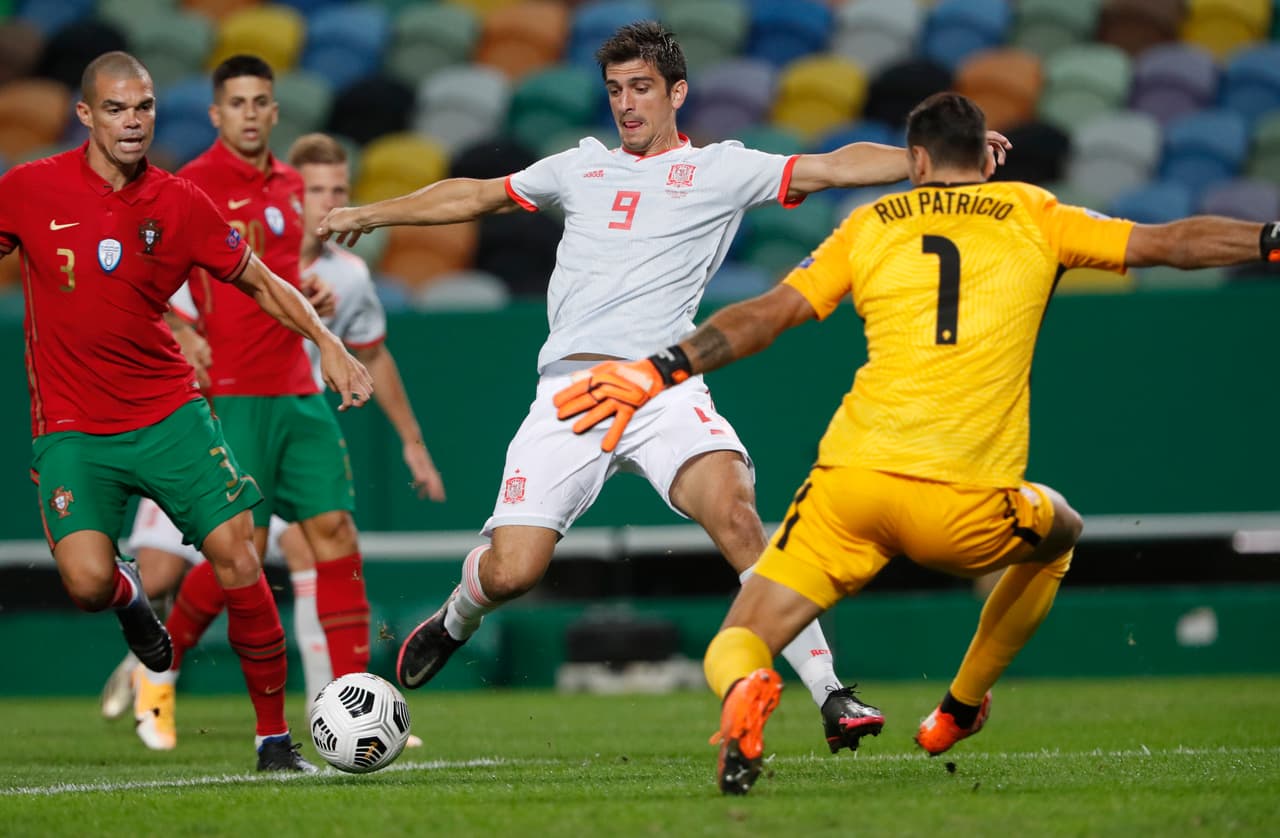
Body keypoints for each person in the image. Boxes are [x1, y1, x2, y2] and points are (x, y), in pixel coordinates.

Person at [554, 91, 1280, 795]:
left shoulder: (870, 223)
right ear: (983, 159)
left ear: (919, 160)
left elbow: (768, 316)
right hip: (963, 501)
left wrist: (661, 368)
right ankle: (958, 710)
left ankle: (747, 687)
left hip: (851, 488)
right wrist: (1265, 240)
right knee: (1060, 532)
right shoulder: (1035, 213)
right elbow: (1169, 243)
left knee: (738, 637)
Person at [319, 21, 1008, 753]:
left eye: (641, 87)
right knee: (514, 570)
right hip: (568, 389)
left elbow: (832, 167)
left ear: (677, 91)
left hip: (661, 386)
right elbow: (480, 194)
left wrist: (930, 159)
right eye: (616, 89)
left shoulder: (722, 168)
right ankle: (458, 617)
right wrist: (371, 211)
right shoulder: (579, 167)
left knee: (739, 518)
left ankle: (831, 694)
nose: (626, 103)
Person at [0, 50, 372, 771]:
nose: (132, 122)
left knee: (240, 553)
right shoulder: (28, 189)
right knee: (85, 584)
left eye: (142, 108)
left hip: (168, 412)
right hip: (74, 426)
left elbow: (262, 281)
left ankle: (273, 740)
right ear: (85, 115)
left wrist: (325, 341)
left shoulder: (178, 202)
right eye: (116, 108)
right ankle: (132, 596)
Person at [101, 133, 446, 737]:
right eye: (315, 189)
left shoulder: (351, 275)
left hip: (298, 421)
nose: (327, 201)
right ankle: (158, 668)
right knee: (216, 562)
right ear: (291, 191)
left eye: (339, 189)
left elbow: (375, 355)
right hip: (218, 419)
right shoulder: (234, 247)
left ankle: (347, 705)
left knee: (328, 540)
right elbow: (154, 299)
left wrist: (413, 442)